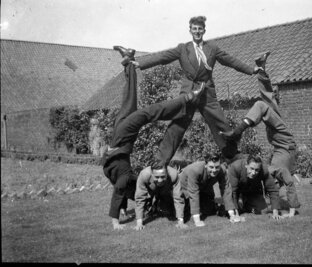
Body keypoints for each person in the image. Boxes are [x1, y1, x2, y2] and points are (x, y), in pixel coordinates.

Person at [129, 16, 263, 168]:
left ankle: (233, 158)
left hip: (207, 95)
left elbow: (230, 60)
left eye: (200, 29)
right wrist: (140, 63)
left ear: (204, 30)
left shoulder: (212, 48)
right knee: (177, 127)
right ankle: (160, 163)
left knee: (221, 126)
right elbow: (163, 58)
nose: (197, 32)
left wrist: (251, 70)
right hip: (188, 95)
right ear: (190, 30)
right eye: (194, 29)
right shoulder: (182, 49)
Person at [102, 47, 205, 230]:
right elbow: (120, 191)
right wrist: (120, 214)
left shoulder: (125, 179)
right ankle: (129, 62)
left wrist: (118, 218)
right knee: (135, 106)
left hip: (122, 137)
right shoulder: (125, 178)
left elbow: (120, 191)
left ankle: (130, 63)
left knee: (145, 110)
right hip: (119, 140)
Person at [220, 52, 300, 218]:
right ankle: (261, 69)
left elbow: (288, 183)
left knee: (262, 104)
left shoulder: (276, 168)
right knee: (266, 101)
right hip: (281, 140)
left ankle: (238, 131)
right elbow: (276, 185)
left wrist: (292, 211)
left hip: (285, 145)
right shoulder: (271, 169)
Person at [179, 152, 241, 227]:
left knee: (209, 210)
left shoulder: (222, 170)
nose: (214, 170)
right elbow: (194, 193)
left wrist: (232, 215)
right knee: (185, 211)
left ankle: (215, 207)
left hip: (204, 186)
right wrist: (197, 221)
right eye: (211, 167)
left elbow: (226, 189)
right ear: (206, 165)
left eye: (217, 167)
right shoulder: (194, 170)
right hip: (185, 187)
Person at [227, 154, 283, 220]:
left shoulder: (264, 170)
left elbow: (272, 190)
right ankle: (238, 203)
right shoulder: (235, 167)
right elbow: (233, 191)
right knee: (232, 211)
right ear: (246, 165)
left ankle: (246, 205)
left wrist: (275, 213)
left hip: (253, 191)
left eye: (257, 170)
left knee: (263, 210)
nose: (253, 173)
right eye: (251, 169)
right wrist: (236, 214)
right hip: (237, 192)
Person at [133, 163, 187, 231]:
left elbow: (178, 197)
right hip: (150, 190)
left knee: (168, 212)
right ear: (152, 174)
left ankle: (160, 206)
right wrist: (139, 223)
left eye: (163, 176)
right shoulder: (144, 175)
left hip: (166, 190)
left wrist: (181, 221)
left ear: (167, 174)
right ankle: (151, 207)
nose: (160, 180)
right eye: (157, 177)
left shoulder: (173, 175)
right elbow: (140, 198)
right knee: (147, 212)